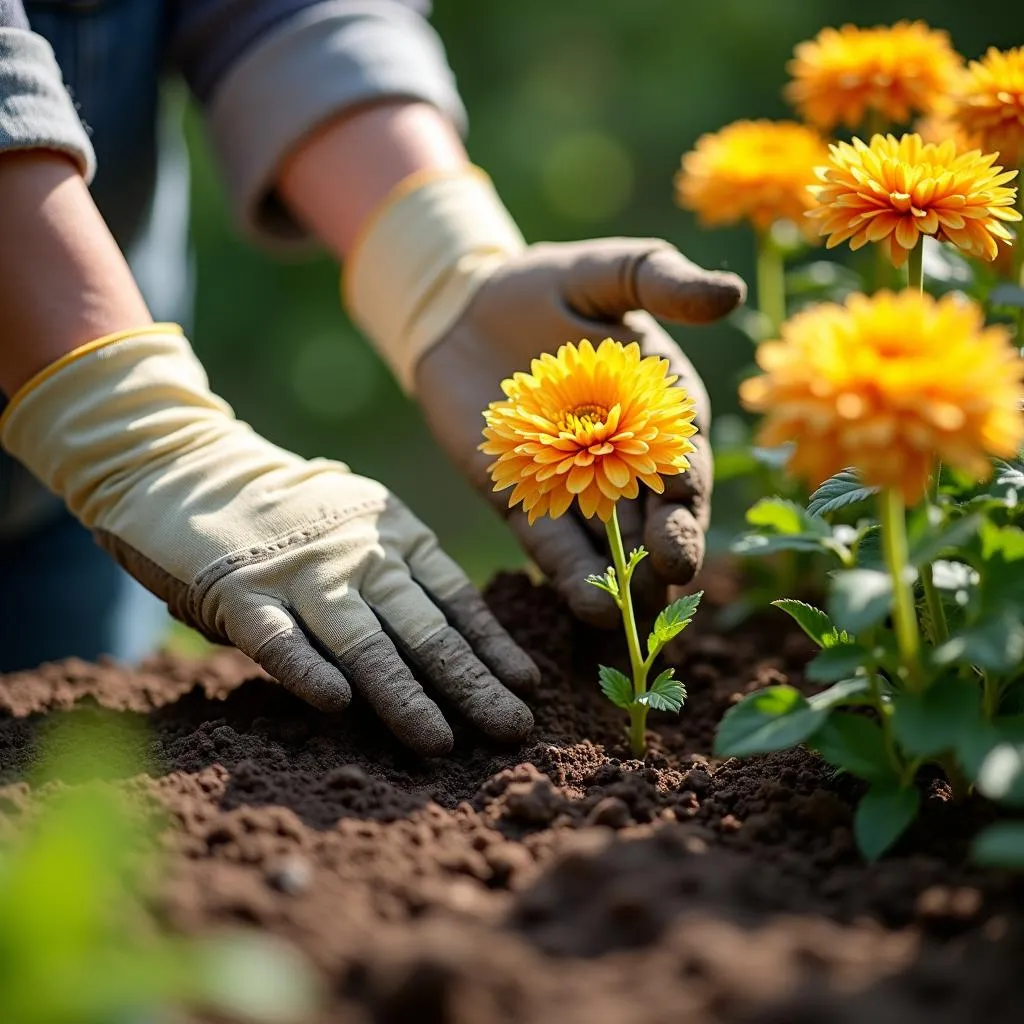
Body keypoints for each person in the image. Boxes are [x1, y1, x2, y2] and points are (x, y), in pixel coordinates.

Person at [0, 1, 744, 754]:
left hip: (86, 502)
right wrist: (135, 424)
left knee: (75, 804)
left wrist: (439, 263)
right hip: (98, 420)